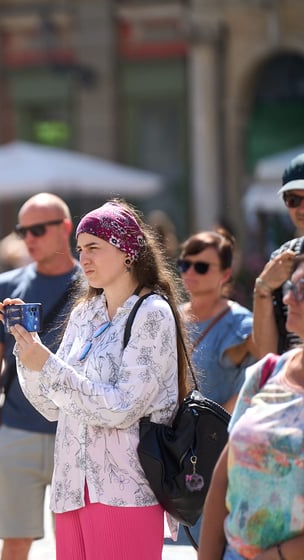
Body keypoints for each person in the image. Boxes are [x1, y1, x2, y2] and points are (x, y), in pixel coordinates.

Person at [7, 200, 190, 559]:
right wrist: (28, 355)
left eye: (94, 247)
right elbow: (51, 406)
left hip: (126, 488)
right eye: (80, 249)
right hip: (71, 488)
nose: (84, 258)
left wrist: (48, 364)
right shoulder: (84, 313)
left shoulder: (153, 313)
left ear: (127, 253)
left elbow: (122, 408)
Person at [0, 192, 80, 560]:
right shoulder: (5, 286)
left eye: (38, 229)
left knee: (76, 545)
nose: (29, 238)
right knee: (15, 543)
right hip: (15, 433)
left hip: (77, 434)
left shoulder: (94, 284)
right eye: (23, 230)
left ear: (65, 228)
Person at [198, 257, 304, 560]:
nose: (287, 298)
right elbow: (222, 479)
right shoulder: (268, 372)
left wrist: (275, 556)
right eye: (289, 287)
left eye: (301, 289)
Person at [178, 230, 256, 413]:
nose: (189, 272)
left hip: (216, 436)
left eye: (201, 267)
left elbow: (249, 388)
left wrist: (212, 433)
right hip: (173, 437)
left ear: (226, 274)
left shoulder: (240, 323)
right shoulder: (173, 315)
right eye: (184, 264)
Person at [252, 152, 304, 357]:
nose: (301, 208)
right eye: (292, 199)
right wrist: (262, 289)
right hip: (293, 381)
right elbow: (266, 354)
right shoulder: (282, 256)